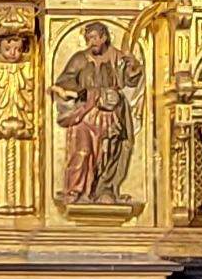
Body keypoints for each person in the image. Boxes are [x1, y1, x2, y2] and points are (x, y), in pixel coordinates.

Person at [54, 22, 141, 206]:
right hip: (86, 114)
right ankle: (76, 190)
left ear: (104, 37)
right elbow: (64, 81)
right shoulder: (80, 59)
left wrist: (133, 67)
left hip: (112, 113)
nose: (91, 42)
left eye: (95, 38)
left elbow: (130, 81)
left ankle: (105, 188)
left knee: (109, 151)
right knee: (83, 152)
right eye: (88, 38)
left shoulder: (117, 56)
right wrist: (82, 91)